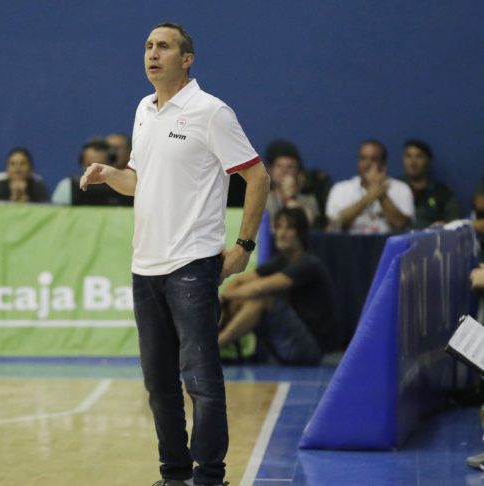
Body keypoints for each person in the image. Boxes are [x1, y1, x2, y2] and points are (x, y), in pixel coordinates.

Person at [80, 23, 270, 486]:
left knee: (200, 379)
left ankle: (210, 476)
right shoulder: (144, 109)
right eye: (148, 46)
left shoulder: (211, 112)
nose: (152, 53)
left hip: (192, 264)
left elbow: (258, 177)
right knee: (159, 382)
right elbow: (139, 180)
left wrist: (243, 246)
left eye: (163, 47)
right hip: (144, 266)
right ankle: (174, 474)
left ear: (186, 59)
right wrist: (110, 174)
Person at [218, 208, 335, 364]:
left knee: (260, 300)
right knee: (238, 299)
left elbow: (260, 287)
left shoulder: (308, 264)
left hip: (311, 348)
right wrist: (227, 299)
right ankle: (214, 343)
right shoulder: (280, 260)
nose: (281, 233)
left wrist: (224, 295)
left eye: (289, 228)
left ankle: (215, 347)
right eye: (278, 227)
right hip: (287, 344)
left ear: (301, 233)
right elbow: (239, 281)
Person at [325, 140, 414, 233]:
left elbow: (401, 225)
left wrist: (381, 194)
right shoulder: (340, 189)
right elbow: (334, 224)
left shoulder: (401, 188)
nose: (367, 164)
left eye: (374, 159)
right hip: (350, 241)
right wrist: (368, 198)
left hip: (387, 241)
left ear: (383, 163)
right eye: (363, 159)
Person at [51, 139, 133, 206]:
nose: (93, 170)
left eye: (100, 166)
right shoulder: (68, 186)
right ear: (81, 163)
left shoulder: (126, 184)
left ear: (112, 164)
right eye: (89, 165)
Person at [401, 139, 460, 229]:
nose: (413, 162)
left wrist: (445, 225)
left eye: (419, 156)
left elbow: (455, 223)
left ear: (428, 161)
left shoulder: (442, 192)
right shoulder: (392, 188)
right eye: (408, 156)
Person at [263, 140, 320, 226]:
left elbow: (305, 225)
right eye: (279, 166)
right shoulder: (262, 199)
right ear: (270, 170)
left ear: (298, 172)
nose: (284, 171)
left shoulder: (308, 200)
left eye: (290, 167)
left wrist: (290, 198)